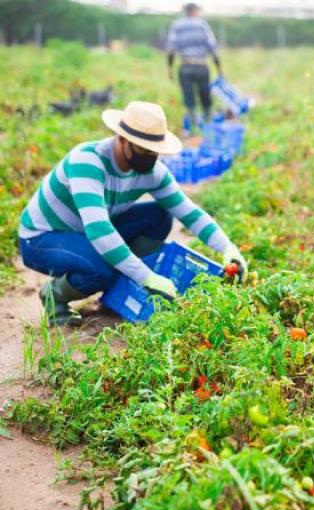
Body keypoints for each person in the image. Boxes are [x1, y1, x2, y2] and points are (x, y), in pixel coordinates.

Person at [18, 101, 248, 326]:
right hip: (42, 237)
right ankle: (54, 296)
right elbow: (99, 231)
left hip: (86, 231)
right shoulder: (88, 161)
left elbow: (190, 213)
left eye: (154, 151)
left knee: (159, 215)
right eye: (142, 149)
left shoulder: (152, 171)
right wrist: (146, 276)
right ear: (122, 139)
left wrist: (228, 248)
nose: (148, 156)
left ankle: (118, 287)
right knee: (101, 269)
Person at [166, 3, 221, 135]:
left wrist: (169, 67)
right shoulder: (202, 25)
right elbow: (212, 47)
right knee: (205, 97)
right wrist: (219, 67)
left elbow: (171, 49)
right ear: (195, 11)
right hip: (201, 66)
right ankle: (208, 126)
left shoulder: (177, 26)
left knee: (189, 97)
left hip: (185, 66)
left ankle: (192, 128)